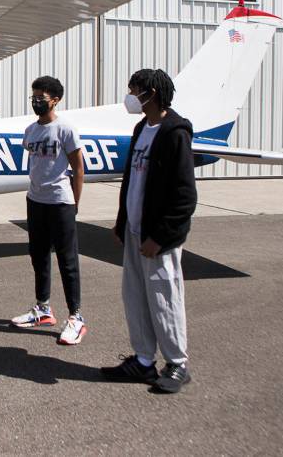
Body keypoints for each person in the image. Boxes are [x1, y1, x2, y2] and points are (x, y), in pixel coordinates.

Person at [100, 69, 198, 394]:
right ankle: (144, 360)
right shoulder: (142, 128)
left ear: (151, 93)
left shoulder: (174, 133)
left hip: (158, 238)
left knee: (164, 298)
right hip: (134, 231)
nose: (130, 96)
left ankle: (177, 364)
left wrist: (162, 236)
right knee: (136, 297)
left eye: (134, 91)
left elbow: (184, 196)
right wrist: (121, 221)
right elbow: (132, 181)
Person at [9, 76, 86, 345]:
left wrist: (74, 203)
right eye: (34, 97)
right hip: (36, 201)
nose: (36, 102)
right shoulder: (31, 130)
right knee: (38, 256)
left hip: (60, 202)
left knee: (67, 261)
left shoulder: (65, 129)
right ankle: (42, 308)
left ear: (55, 99)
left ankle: (76, 317)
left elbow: (78, 168)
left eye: (41, 98)